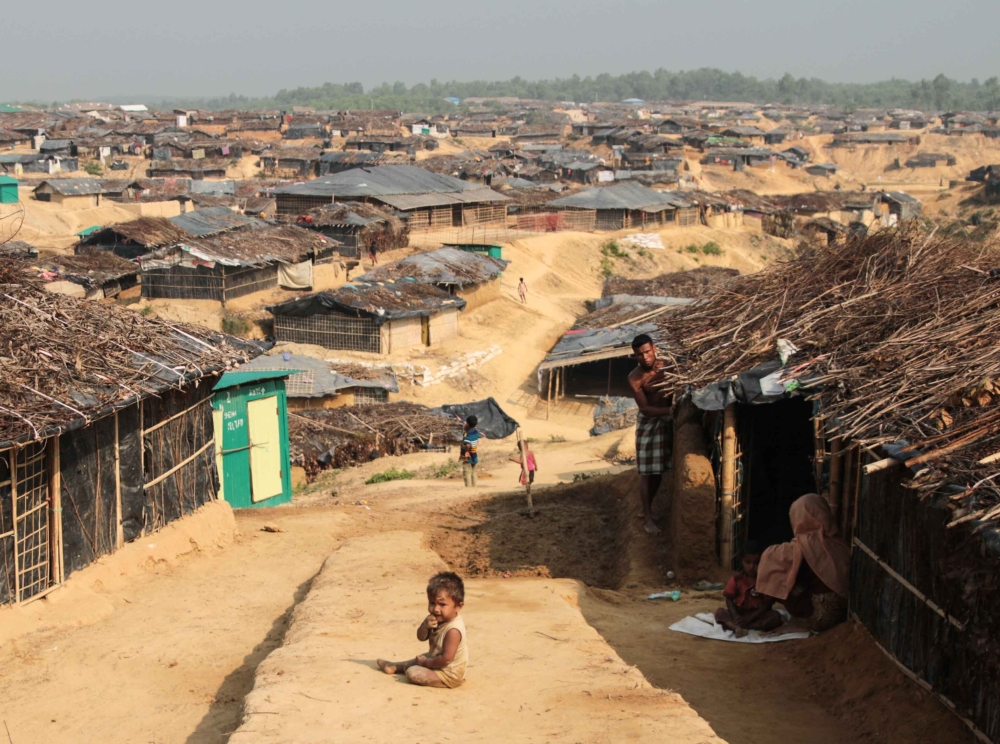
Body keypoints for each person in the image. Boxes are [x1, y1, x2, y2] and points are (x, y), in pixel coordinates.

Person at [757, 494, 850, 633]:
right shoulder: (839, 543)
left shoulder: (805, 544)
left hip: (820, 618)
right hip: (842, 613)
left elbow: (771, 559)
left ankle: (798, 624)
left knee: (781, 575)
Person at [377, 572, 469, 688]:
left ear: (458, 606)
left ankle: (418, 670)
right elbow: (421, 637)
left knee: (413, 672)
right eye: (432, 603)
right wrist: (425, 626)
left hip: (448, 674)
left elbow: (446, 659)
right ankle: (395, 666)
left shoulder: (453, 630)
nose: (435, 609)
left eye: (442, 604)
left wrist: (426, 663)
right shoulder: (435, 618)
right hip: (437, 660)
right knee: (420, 658)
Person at [627, 333, 674, 534]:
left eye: (647, 352)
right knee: (646, 472)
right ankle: (647, 517)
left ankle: (648, 508)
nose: (644, 357)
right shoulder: (634, 378)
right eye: (639, 354)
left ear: (654, 348)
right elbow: (645, 409)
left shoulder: (668, 367)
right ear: (635, 356)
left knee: (659, 471)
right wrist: (670, 412)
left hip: (666, 422)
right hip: (649, 424)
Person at [714, 541, 782, 637]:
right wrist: (735, 616)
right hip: (740, 614)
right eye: (748, 562)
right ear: (742, 561)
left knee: (775, 616)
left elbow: (767, 604)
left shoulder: (764, 581)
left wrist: (750, 618)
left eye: (756, 563)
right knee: (720, 612)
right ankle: (737, 627)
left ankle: (744, 627)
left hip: (757, 615)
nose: (751, 567)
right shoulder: (736, 579)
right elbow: (729, 599)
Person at [461, 416, 481, 487]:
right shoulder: (476, 432)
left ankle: (468, 488)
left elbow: (468, 444)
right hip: (474, 455)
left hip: (467, 456)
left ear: (468, 424)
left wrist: (466, 451)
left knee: (467, 472)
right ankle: (474, 487)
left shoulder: (467, 434)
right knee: (474, 472)